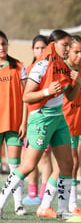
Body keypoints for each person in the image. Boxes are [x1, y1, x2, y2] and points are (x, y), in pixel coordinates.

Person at [0, 29, 81, 220]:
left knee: (67, 164)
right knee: (28, 165)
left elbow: (70, 96)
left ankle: (62, 209)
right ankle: (1, 202)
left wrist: (77, 83)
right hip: (41, 118)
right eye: (65, 44)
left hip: (58, 118)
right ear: (53, 45)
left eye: (70, 45)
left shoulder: (64, 66)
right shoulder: (42, 66)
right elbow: (26, 96)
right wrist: (46, 91)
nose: (69, 48)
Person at [36, 35, 81, 219]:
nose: (80, 56)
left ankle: (62, 205)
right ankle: (53, 205)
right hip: (62, 121)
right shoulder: (60, 67)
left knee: (69, 164)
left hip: (76, 122)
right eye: (76, 51)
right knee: (66, 164)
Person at [22, 35, 53, 206]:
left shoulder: (52, 69)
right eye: (38, 48)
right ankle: (32, 192)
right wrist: (24, 122)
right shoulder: (28, 69)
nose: (41, 51)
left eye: (44, 48)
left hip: (46, 119)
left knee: (46, 158)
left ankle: (43, 194)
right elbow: (25, 98)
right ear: (32, 50)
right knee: (29, 157)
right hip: (32, 120)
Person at [0, 30, 28, 216]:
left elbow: (27, 97)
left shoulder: (18, 66)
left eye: (4, 43)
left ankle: (19, 204)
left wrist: (24, 121)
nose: (1, 47)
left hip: (14, 122)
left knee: (15, 166)